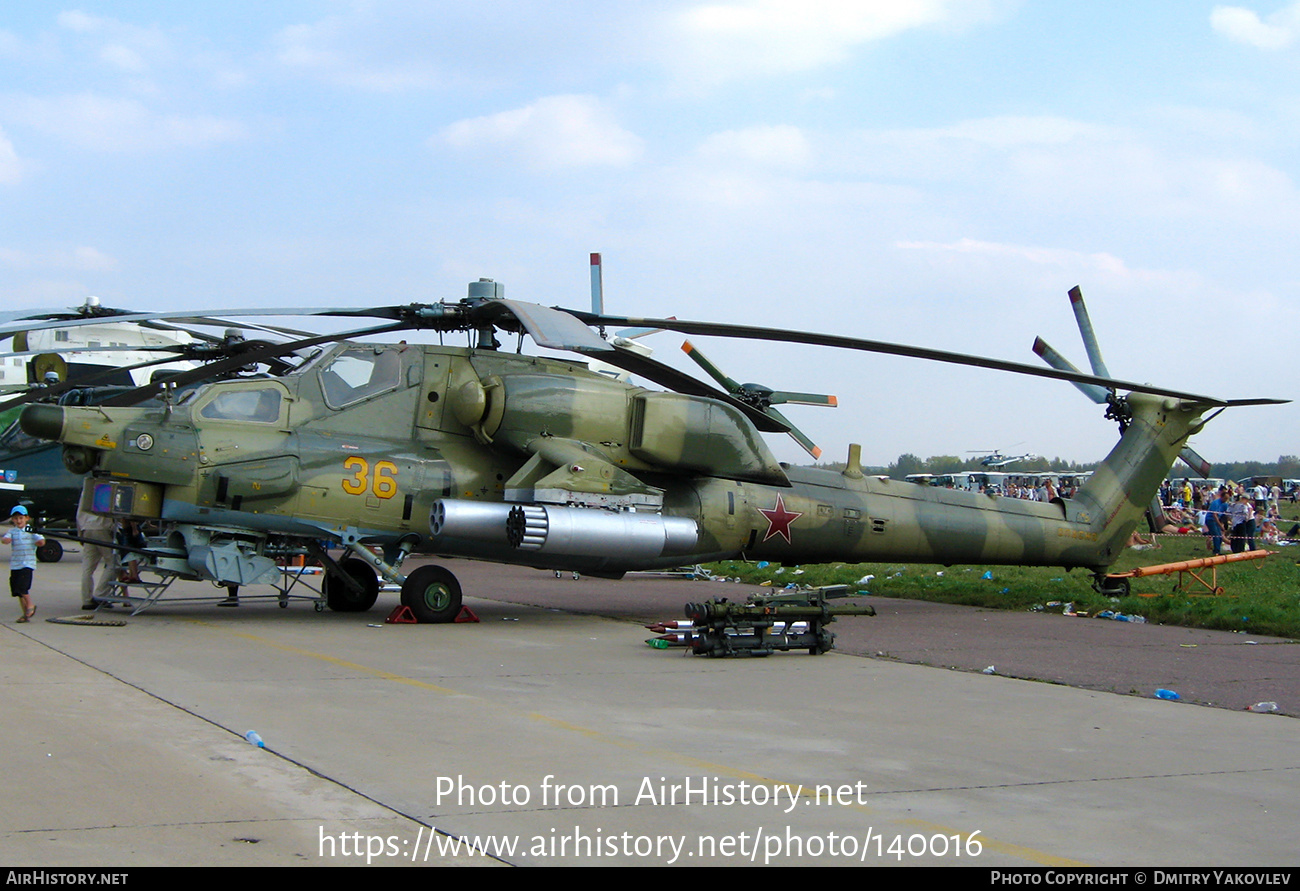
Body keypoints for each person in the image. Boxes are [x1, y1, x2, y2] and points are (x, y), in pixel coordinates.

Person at [4, 506, 45, 623]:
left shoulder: (31, 530)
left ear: (27, 518)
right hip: (15, 564)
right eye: (16, 518)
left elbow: (41, 540)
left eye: (21, 518)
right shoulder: (12, 531)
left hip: (27, 563)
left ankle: (30, 605)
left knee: (23, 587)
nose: (18, 521)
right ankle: (25, 614)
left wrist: (40, 542)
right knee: (17, 591)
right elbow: (5, 539)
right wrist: (5, 540)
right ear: (12, 519)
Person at [78, 505, 116, 610]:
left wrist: (80, 531)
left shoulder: (87, 491)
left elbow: (80, 512)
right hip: (102, 527)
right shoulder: (107, 489)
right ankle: (101, 594)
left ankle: (87, 599)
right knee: (113, 563)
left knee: (88, 567)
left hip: (87, 528)